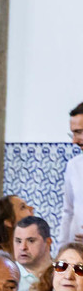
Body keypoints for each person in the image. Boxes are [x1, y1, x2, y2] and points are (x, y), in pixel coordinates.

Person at [13, 215, 53, 291]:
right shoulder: (7, 275)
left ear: (48, 242)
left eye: (31, 241)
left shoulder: (62, 273)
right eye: (18, 241)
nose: (23, 247)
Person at [59, 102, 83, 248]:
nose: (74, 141)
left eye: (79, 132)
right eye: (73, 133)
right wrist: (61, 251)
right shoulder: (74, 166)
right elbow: (68, 212)